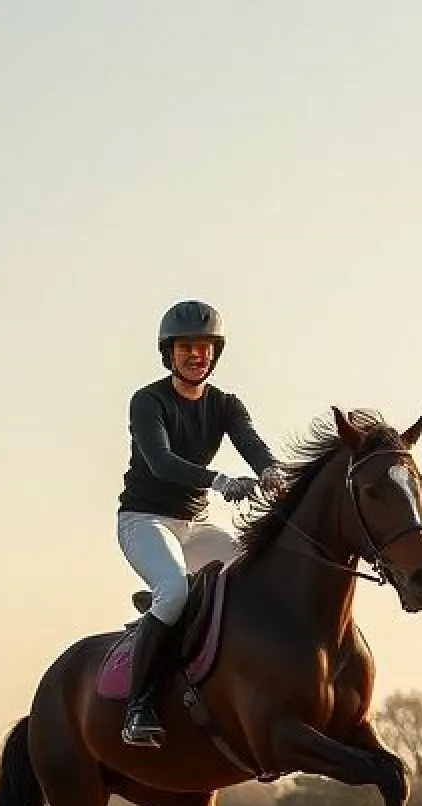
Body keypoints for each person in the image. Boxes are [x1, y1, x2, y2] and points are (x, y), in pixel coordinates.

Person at [115, 299, 281, 747]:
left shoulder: (226, 404)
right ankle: (137, 708)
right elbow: (162, 462)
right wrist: (221, 479)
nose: (195, 354)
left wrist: (270, 471)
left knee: (258, 571)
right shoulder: (147, 401)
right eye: (186, 346)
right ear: (169, 352)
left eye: (204, 347)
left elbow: (251, 442)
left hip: (197, 527)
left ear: (215, 353)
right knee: (174, 591)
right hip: (145, 521)